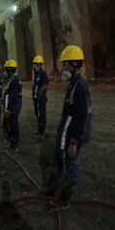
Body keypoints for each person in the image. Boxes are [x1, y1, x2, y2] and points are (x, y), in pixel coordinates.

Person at [42, 45, 92, 213]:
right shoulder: (73, 84)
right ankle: (50, 190)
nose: (62, 68)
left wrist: (74, 141)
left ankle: (64, 201)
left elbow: (82, 117)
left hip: (70, 139)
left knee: (69, 170)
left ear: (74, 65)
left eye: (65, 65)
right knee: (55, 164)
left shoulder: (81, 87)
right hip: (63, 136)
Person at [2, 60, 22, 151]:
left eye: (6, 70)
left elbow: (13, 97)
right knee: (7, 124)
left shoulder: (14, 81)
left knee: (13, 126)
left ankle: (15, 145)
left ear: (9, 70)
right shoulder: (12, 80)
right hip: (11, 108)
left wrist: (8, 110)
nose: (5, 72)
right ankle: (10, 141)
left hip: (12, 109)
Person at [32, 55, 50, 136]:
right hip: (36, 99)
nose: (34, 66)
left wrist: (39, 93)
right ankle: (40, 129)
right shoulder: (37, 74)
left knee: (41, 114)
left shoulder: (42, 73)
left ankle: (42, 131)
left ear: (39, 64)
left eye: (35, 64)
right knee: (38, 114)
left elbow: (45, 84)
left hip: (40, 99)